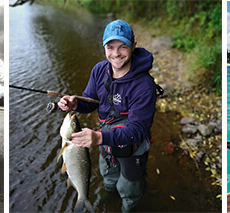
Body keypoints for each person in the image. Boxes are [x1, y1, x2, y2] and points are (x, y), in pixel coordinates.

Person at [57, 19, 158, 213]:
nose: (116, 53)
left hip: (131, 146)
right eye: (110, 47)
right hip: (104, 141)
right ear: (104, 47)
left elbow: (137, 131)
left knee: (129, 188)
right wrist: (76, 104)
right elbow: (89, 99)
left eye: (123, 47)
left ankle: (128, 207)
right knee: (108, 177)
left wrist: (98, 137)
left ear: (133, 46)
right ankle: (108, 198)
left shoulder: (144, 86)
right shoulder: (99, 70)